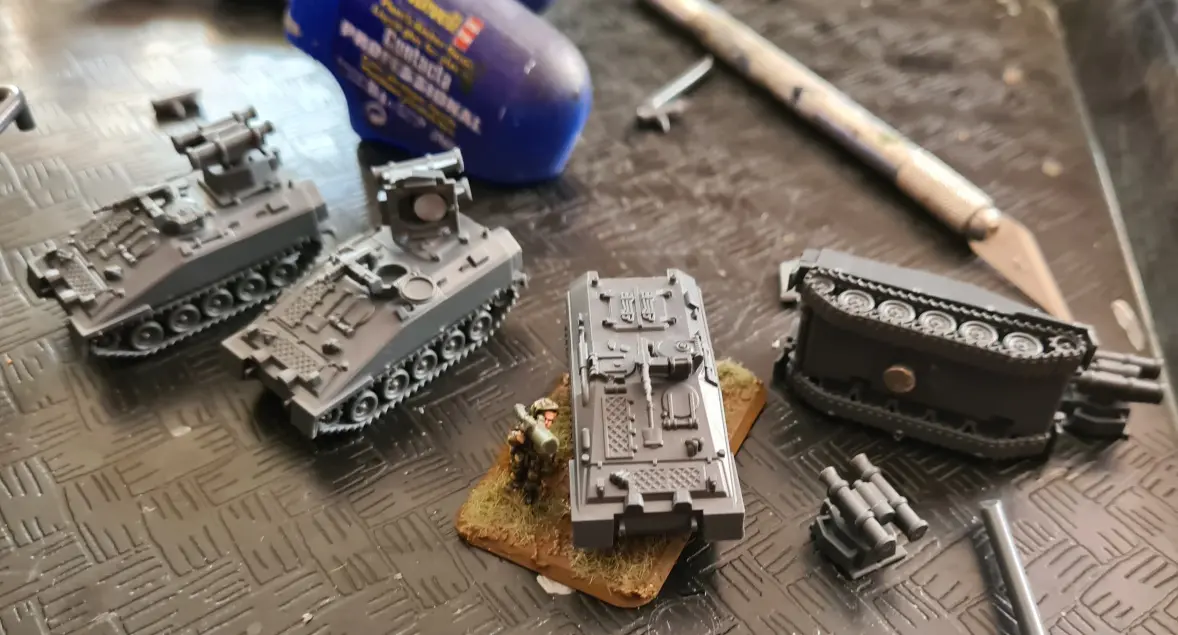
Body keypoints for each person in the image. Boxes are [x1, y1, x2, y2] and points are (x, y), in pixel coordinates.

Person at [507, 397, 560, 504]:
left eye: (551, 421)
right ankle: (515, 486)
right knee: (517, 473)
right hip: (521, 459)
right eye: (545, 419)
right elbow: (510, 438)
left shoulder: (547, 437)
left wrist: (547, 455)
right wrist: (517, 437)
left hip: (535, 462)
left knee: (533, 478)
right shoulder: (527, 426)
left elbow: (550, 461)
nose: (547, 423)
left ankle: (529, 494)